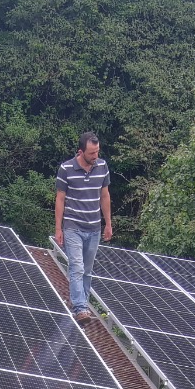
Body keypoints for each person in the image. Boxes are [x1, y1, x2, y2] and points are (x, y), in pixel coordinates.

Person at [54, 132, 112, 320]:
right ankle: (80, 307)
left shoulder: (102, 166)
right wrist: (58, 228)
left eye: (97, 152)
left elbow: (105, 196)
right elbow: (60, 199)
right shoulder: (66, 168)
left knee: (87, 270)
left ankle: (82, 305)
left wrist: (108, 224)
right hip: (73, 226)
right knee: (77, 268)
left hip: (94, 228)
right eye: (91, 153)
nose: (95, 156)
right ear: (81, 151)